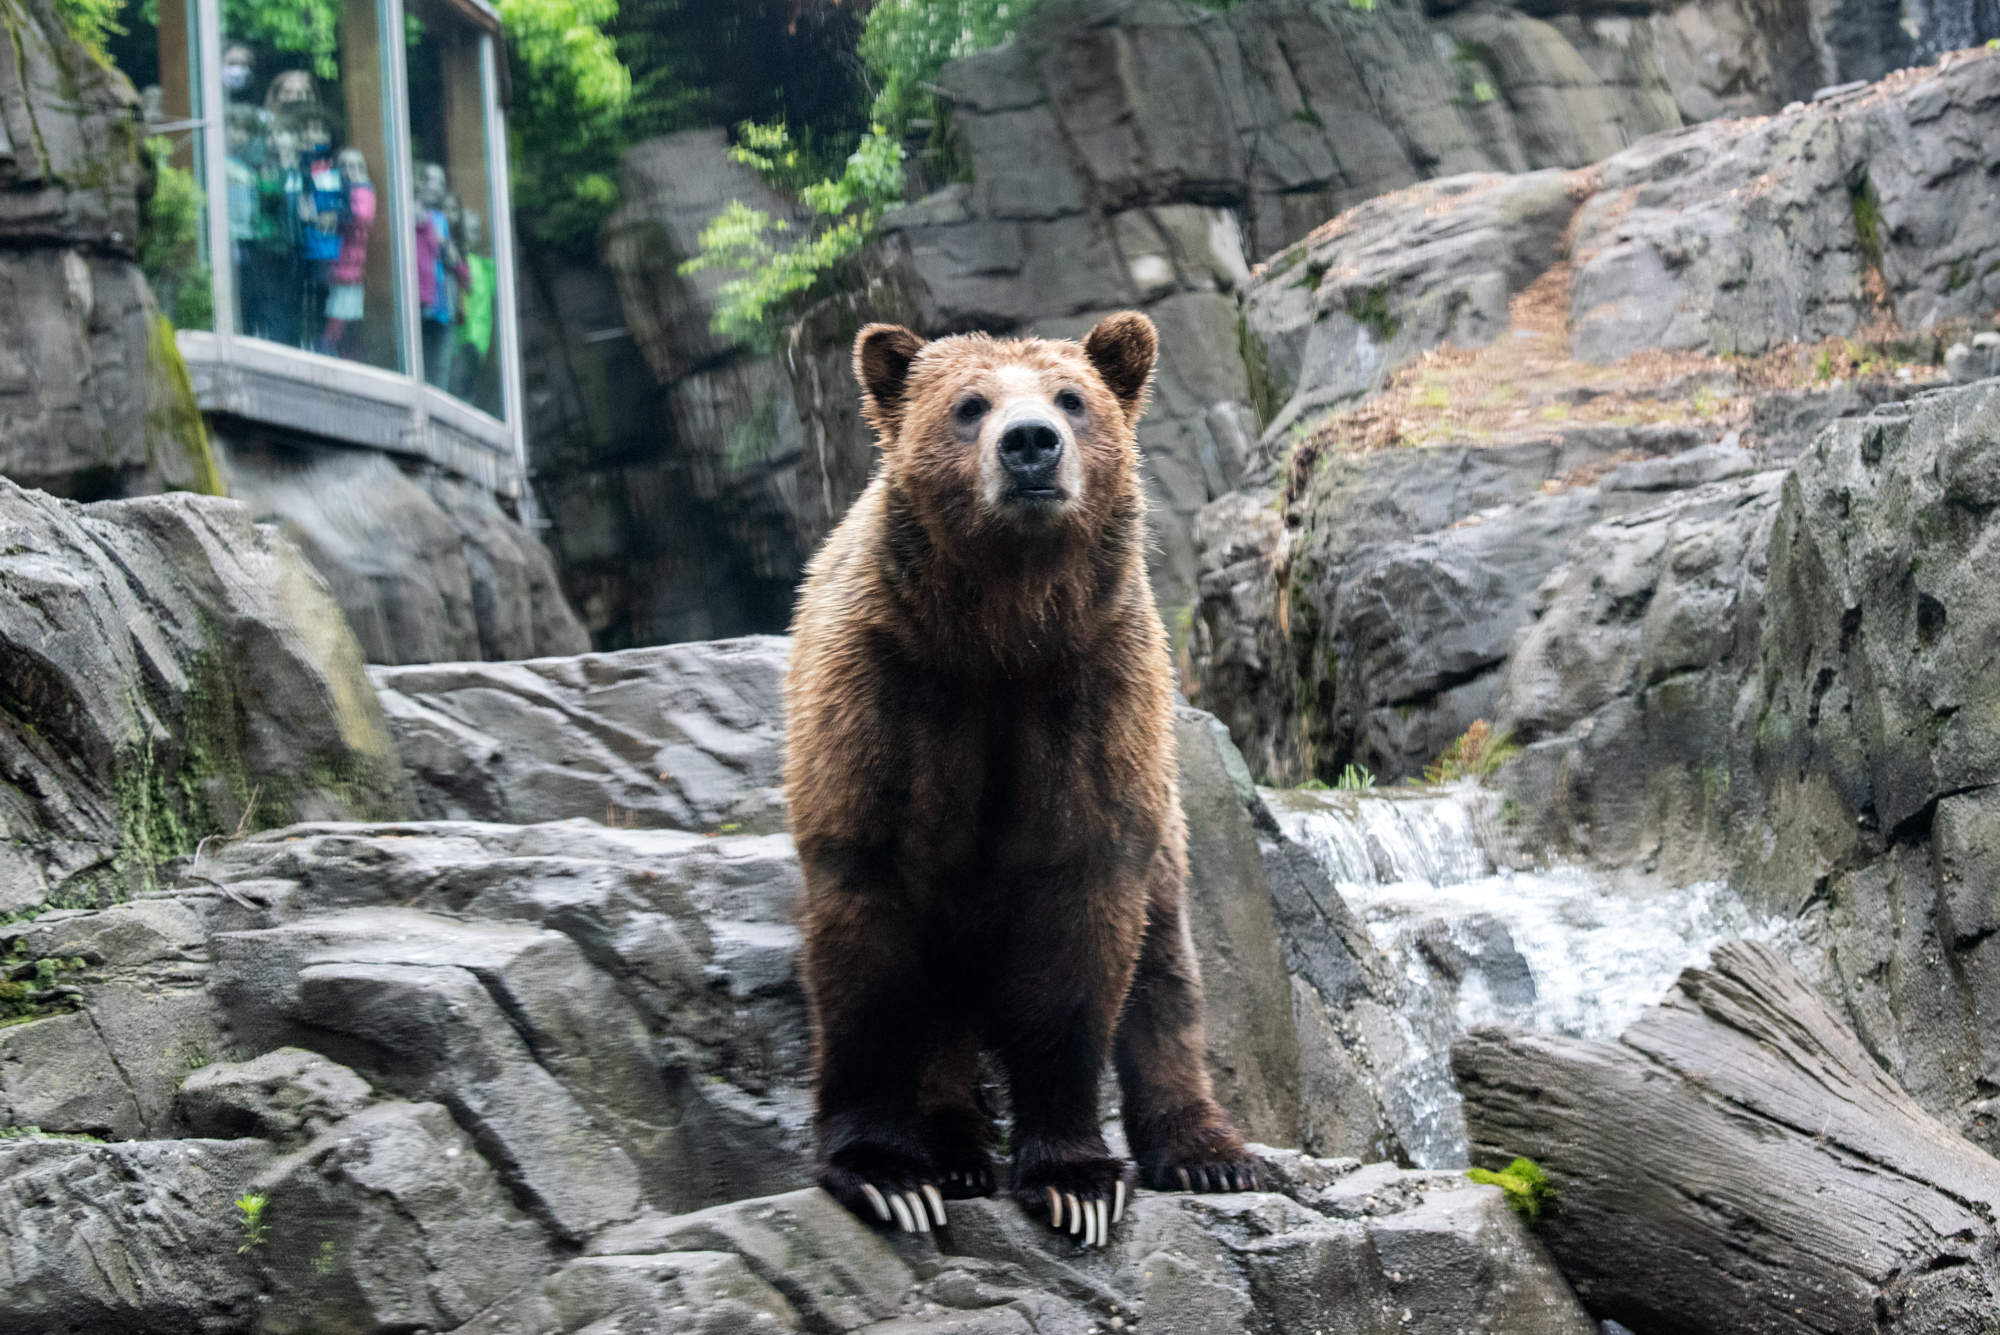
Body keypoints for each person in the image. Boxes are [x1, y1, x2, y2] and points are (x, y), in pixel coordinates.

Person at [319, 150, 374, 358]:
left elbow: (360, 217)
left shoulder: (362, 192)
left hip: (348, 270)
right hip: (332, 267)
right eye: (344, 166)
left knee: (341, 321)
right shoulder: (335, 191)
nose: (350, 172)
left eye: (356, 166)